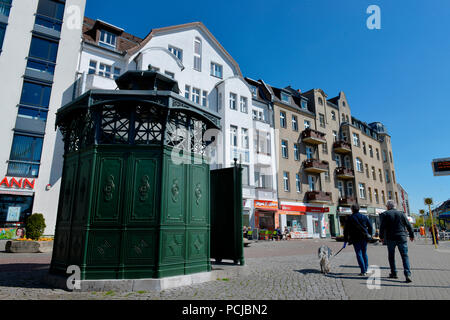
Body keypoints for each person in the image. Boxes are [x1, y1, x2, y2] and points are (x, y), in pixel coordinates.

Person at [379, 200, 414, 283]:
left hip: (390, 238)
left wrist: (381, 237)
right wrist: (411, 235)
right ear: (395, 206)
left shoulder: (385, 214)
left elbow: (382, 227)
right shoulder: (401, 214)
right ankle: (407, 274)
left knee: (391, 256)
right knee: (405, 256)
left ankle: (394, 273)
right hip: (402, 238)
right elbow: (408, 225)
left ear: (387, 206)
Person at [343, 203, 373, 276]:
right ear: (359, 209)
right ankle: (366, 269)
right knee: (364, 253)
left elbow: (346, 230)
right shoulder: (364, 217)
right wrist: (369, 235)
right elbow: (370, 227)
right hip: (364, 238)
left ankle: (363, 271)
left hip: (355, 239)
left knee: (359, 254)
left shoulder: (350, 218)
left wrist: (345, 240)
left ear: (352, 209)